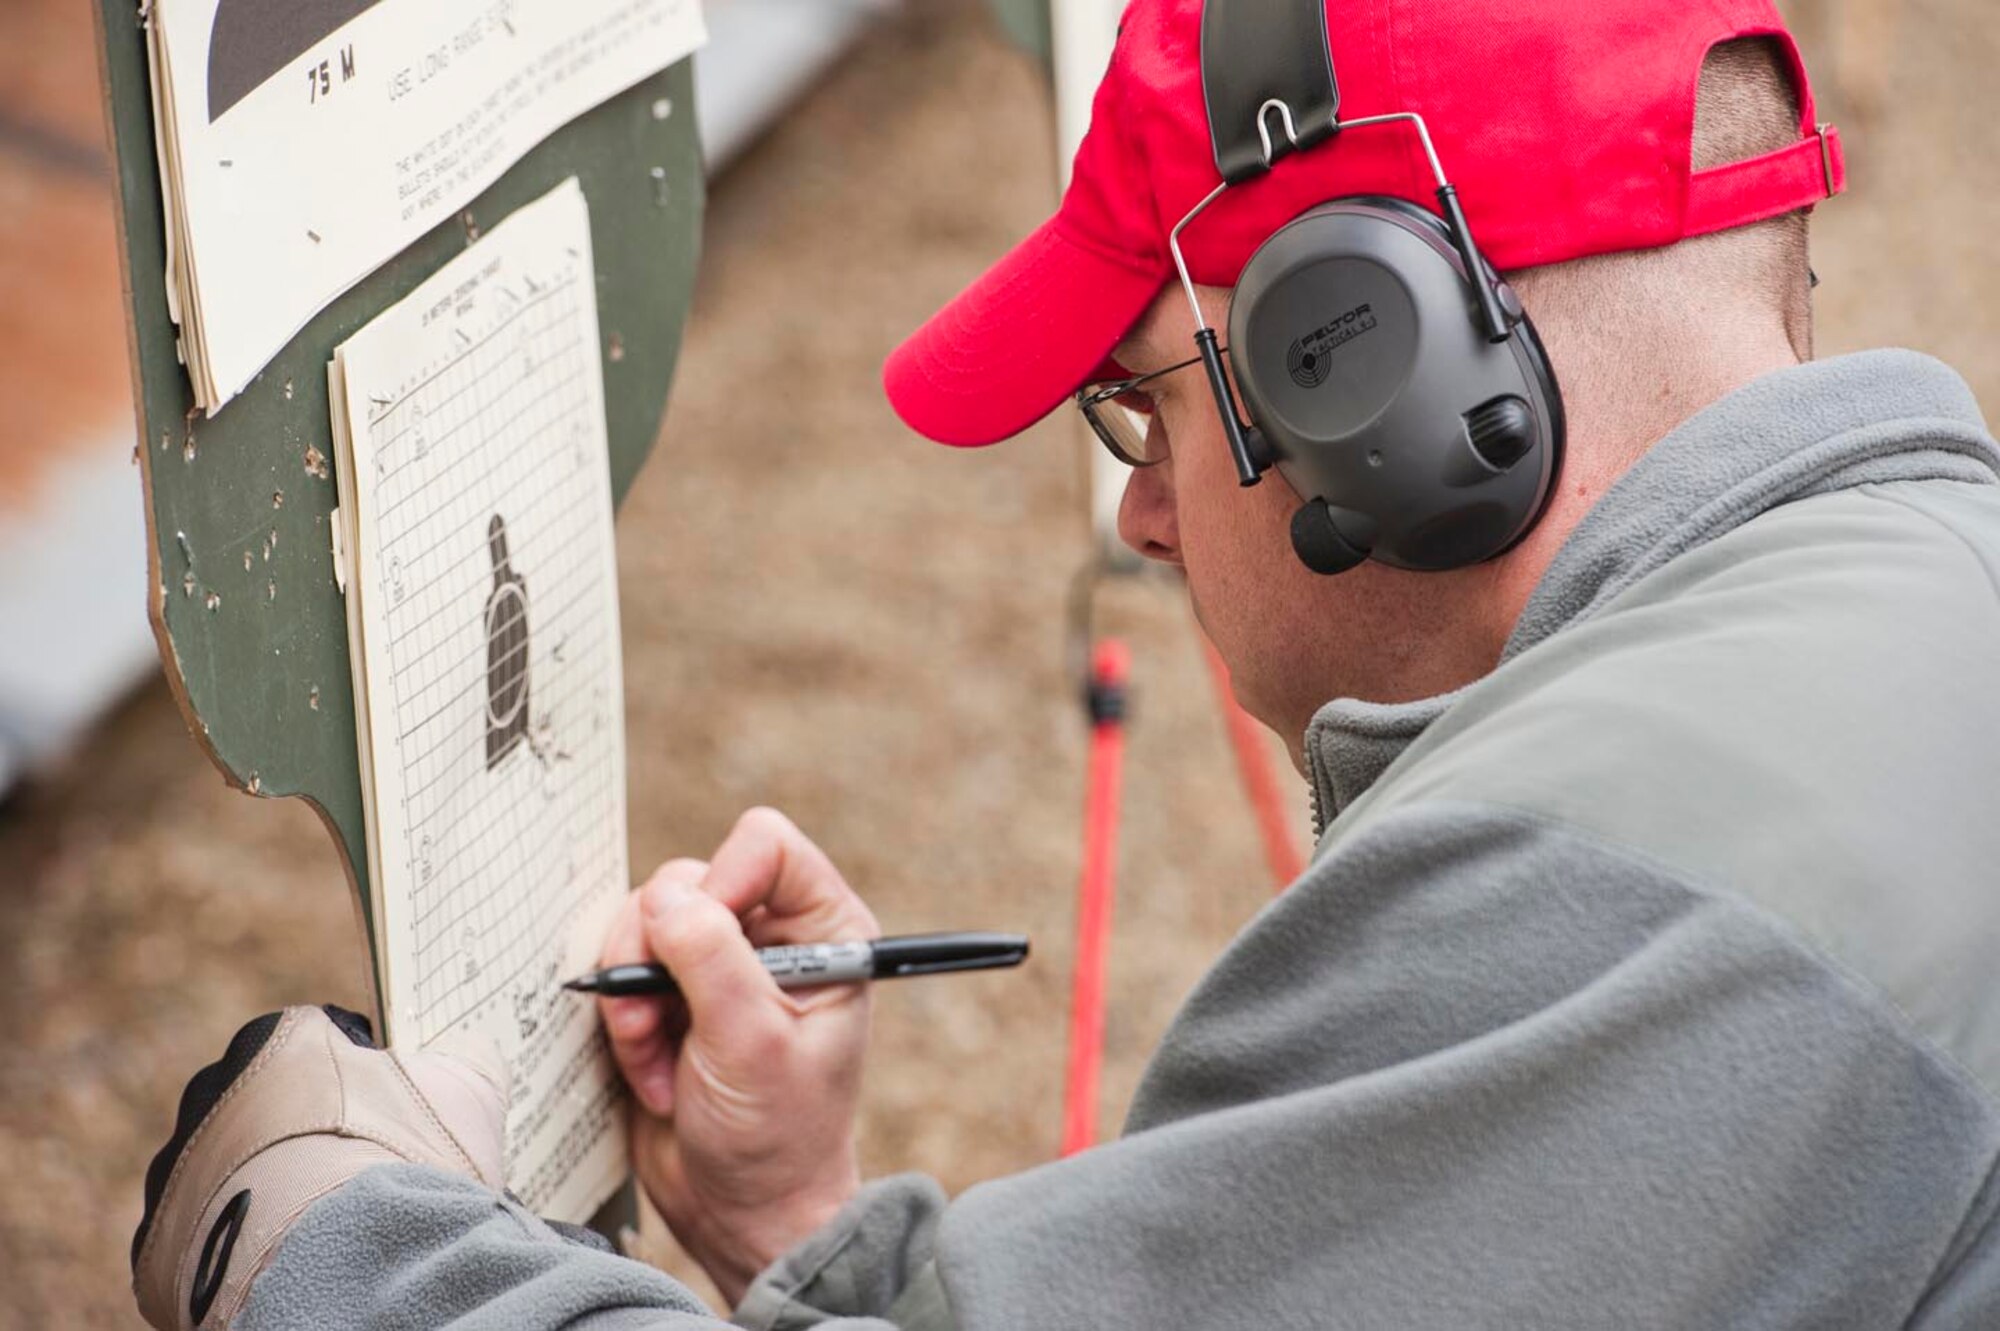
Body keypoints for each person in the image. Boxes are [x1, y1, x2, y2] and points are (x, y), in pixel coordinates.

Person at [133, 0, 2000, 1326]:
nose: (1146, 518)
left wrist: (324, 1242)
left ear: (1378, 371)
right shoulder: (1900, 634)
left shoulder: (1616, 878)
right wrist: (813, 1233)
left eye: (1143, 408)